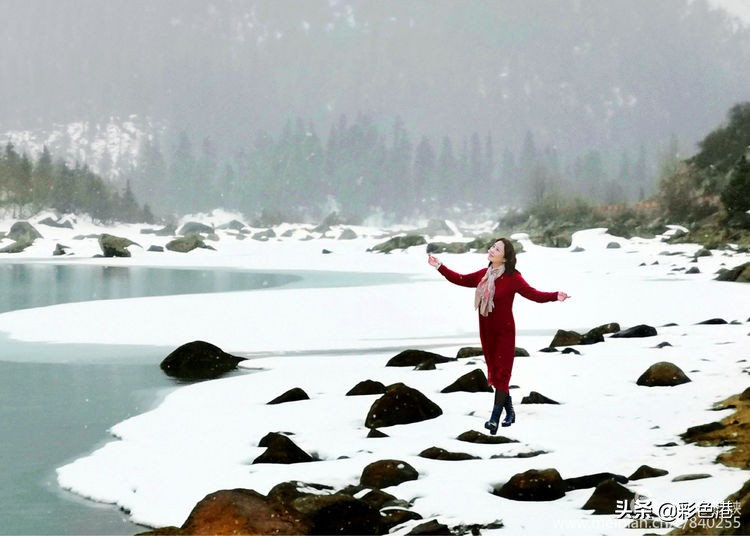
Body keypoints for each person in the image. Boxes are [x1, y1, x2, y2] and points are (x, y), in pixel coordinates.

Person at [428, 237, 569, 434]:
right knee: (495, 374)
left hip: (504, 332)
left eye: (497, 248)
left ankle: (494, 418)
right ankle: (510, 410)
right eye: (492, 246)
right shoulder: (484, 276)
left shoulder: (513, 278)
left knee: (502, 374)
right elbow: (459, 279)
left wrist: (555, 296)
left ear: (505, 257)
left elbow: (533, 294)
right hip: (487, 331)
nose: (492, 249)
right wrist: (439, 266)